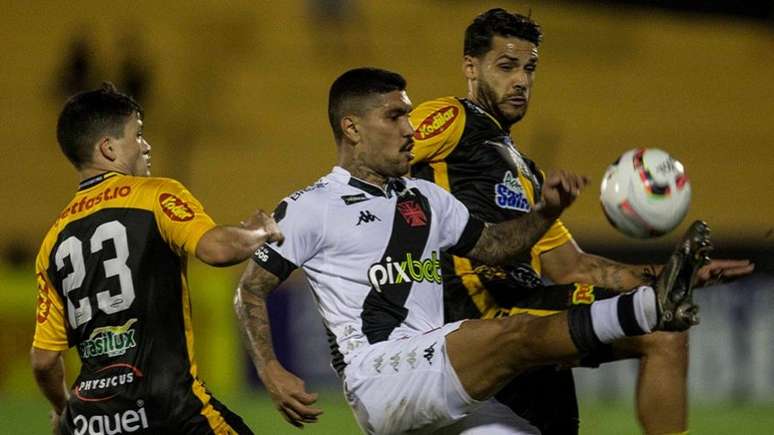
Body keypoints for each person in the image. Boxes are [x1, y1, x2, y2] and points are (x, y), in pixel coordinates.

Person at [233, 67, 712, 434]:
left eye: (408, 113)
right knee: (514, 337)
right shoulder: (311, 206)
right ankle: (651, 307)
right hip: (381, 375)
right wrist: (271, 370)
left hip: (439, 380)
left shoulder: (427, 199)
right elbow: (250, 290)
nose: (409, 129)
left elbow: (496, 248)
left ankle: (652, 305)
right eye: (395, 116)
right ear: (352, 127)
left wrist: (546, 212)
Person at [408, 9, 755, 434]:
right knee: (660, 331)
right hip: (475, 314)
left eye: (529, 68)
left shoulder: (527, 173)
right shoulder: (452, 119)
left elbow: (574, 268)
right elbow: (379, 158)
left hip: (525, 307)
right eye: (506, 66)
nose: (521, 80)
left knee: (663, 325)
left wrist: (676, 276)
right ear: (470, 67)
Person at [31, 83, 283, 434]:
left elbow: (44, 360)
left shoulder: (53, 241)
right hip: (171, 412)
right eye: (138, 134)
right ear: (108, 147)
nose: (146, 145)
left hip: (94, 424)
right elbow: (216, 249)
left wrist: (63, 409)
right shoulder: (155, 196)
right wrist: (262, 232)